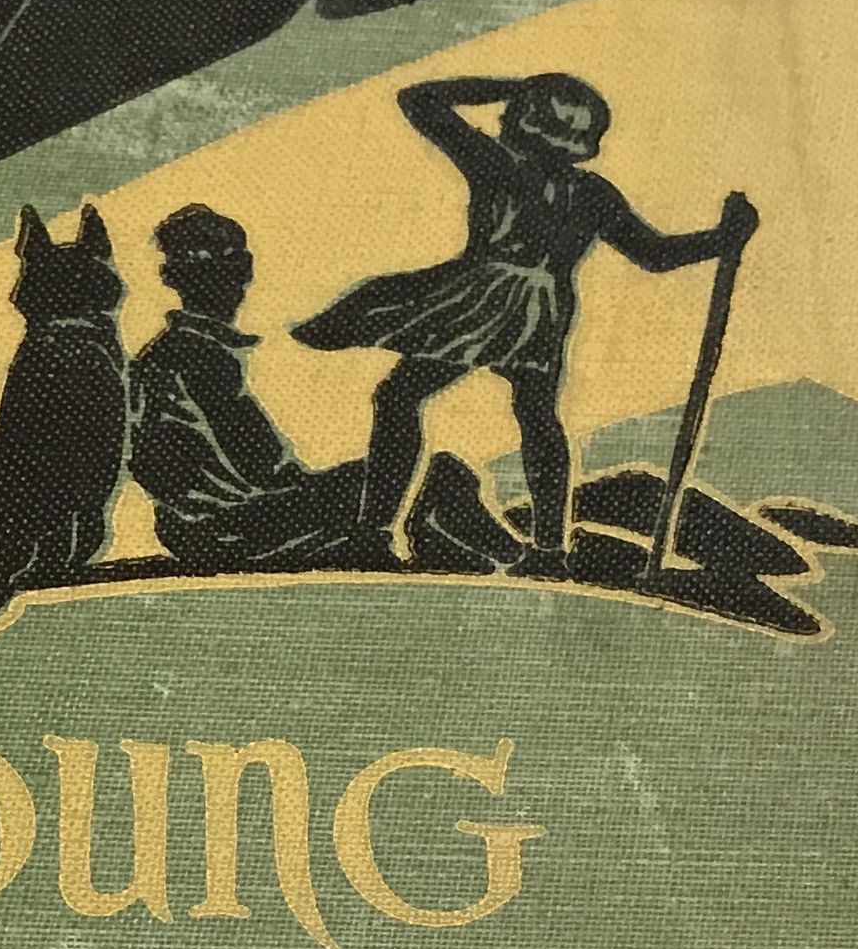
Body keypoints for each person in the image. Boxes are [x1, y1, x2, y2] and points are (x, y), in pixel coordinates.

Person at [292, 73, 757, 578]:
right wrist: (723, 237)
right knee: (536, 417)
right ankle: (548, 551)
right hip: (543, 308)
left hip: (481, 297)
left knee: (399, 396)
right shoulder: (593, 193)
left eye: (514, 111)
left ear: (527, 122)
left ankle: (375, 533)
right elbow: (656, 254)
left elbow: (419, 100)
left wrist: (508, 85)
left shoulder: (497, 164)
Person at [128, 206, 393, 572]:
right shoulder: (196, 352)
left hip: (196, 529)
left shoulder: (171, 351)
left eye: (232, 263)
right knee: (392, 471)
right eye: (218, 266)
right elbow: (262, 462)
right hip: (230, 530)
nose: (230, 279)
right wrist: (316, 487)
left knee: (377, 479)